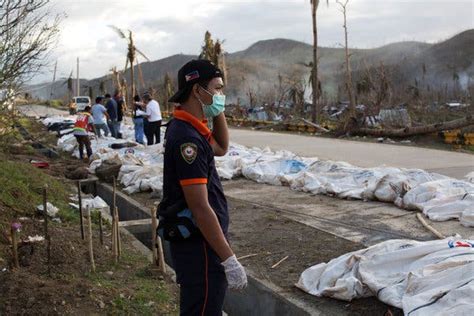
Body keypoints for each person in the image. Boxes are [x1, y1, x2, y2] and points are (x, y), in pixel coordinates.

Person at [159, 59, 247, 316]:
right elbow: (199, 206)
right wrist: (228, 258)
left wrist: (215, 107)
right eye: (217, 89)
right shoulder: (188, 140)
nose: (221, 96)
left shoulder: (188, 128)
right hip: (201, 246)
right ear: (197, 91)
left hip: (200, 244)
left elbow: (221, 147)